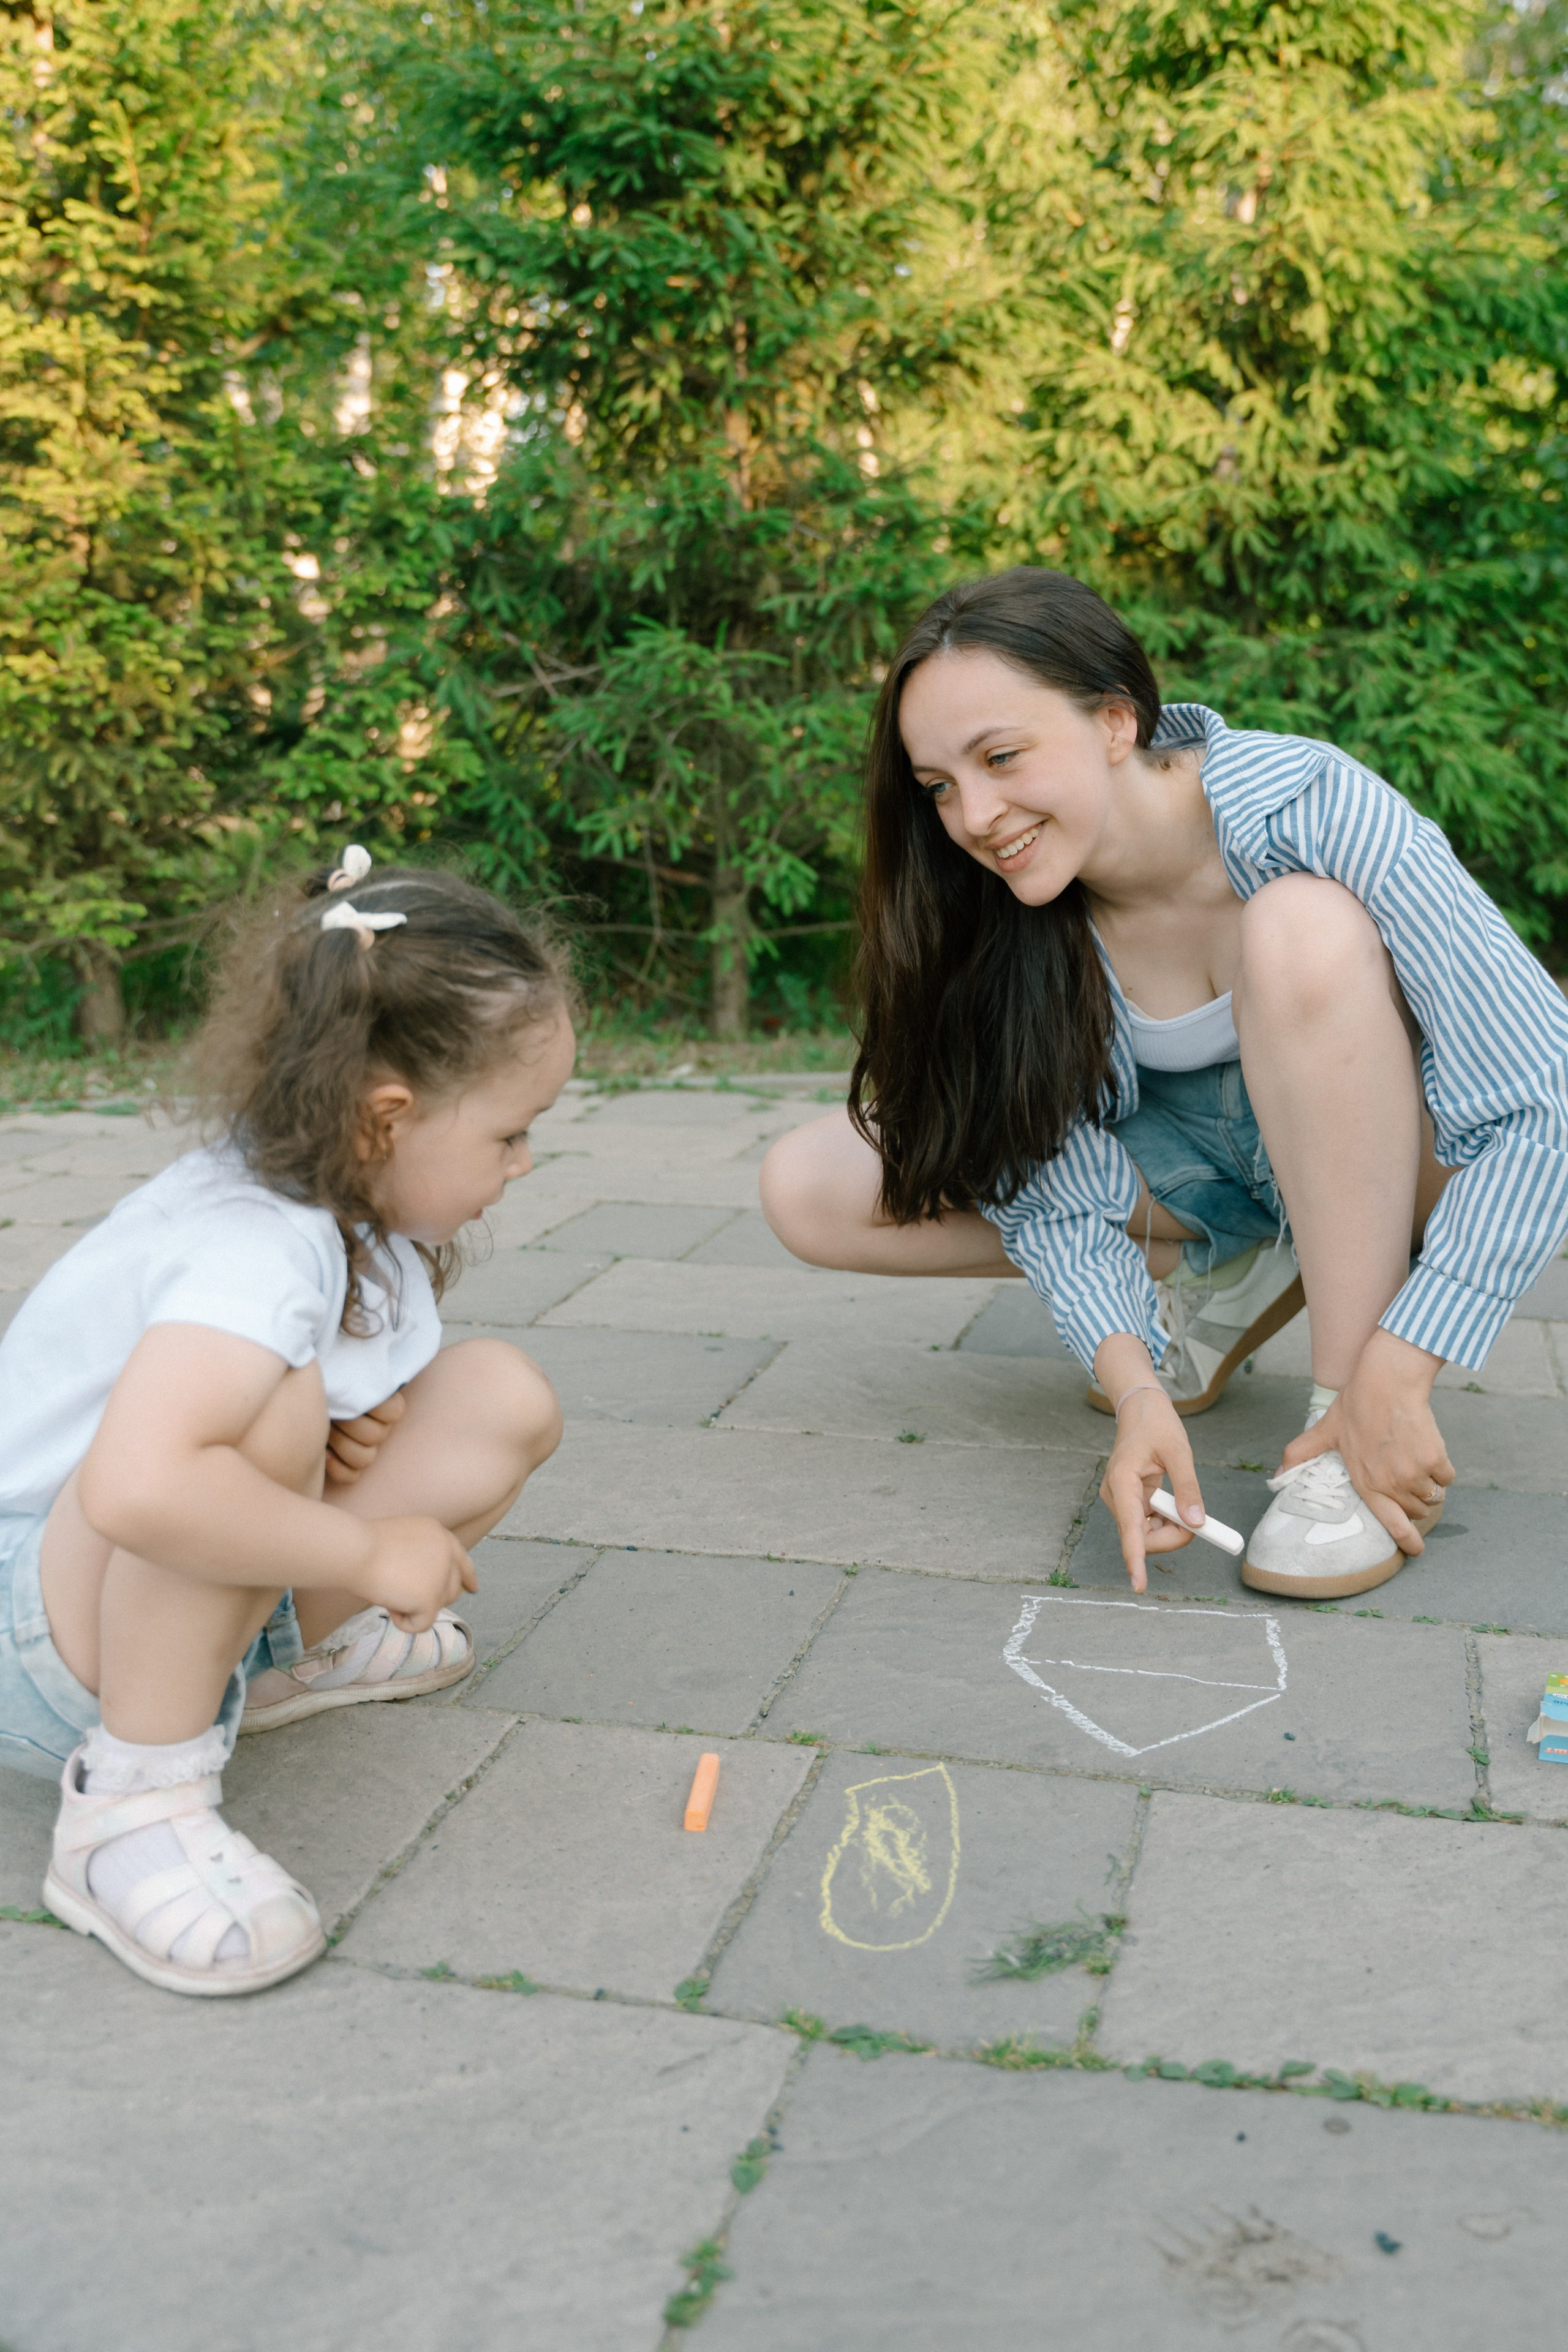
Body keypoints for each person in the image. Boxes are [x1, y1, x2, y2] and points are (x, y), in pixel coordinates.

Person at [761, 568, 1568, 1602]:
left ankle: (1337, 1426)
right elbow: (1037, 1184)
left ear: (1113, 720)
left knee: (1302, 931)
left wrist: (1399, 1371)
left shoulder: (1309, 805)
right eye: (939, 787)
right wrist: (1132, 1383)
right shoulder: (1004, 905)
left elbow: (1541, 1092)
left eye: (1001, 758)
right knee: (810, 1182)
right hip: (1207, 1176)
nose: (974, 815)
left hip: (1408, 1166)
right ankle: (1244, 1267)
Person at [0, 852, 574, 1994]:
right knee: (258, 1413)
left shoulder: (333, 1202)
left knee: (497, 1400)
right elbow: (140, 1489)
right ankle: (132, 1806)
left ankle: (256, 1678)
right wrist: (364, 1548)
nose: (523, 1162)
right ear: (385, 1118)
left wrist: (346, 1430)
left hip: (120, 1593)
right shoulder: (253, 1246)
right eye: (510, 1132)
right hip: (34, 1622)